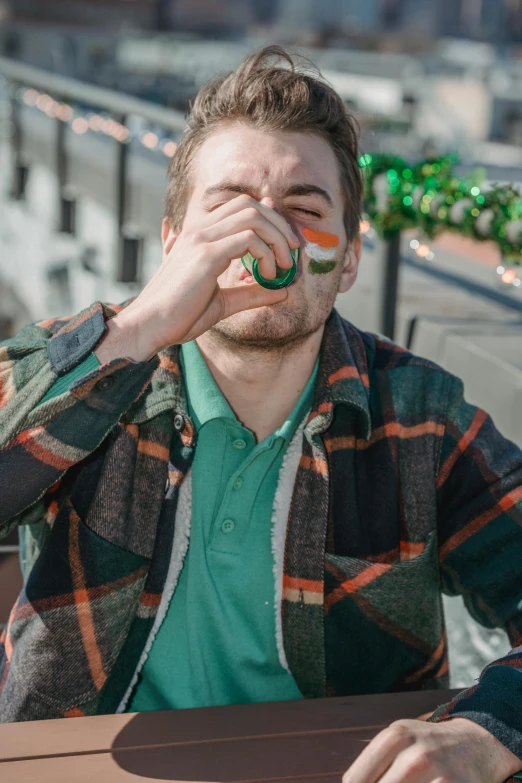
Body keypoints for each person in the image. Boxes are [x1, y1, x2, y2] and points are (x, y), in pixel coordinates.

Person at [1, 46, 522, 782]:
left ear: (347, 261)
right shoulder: (88, 372)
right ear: (174, 243)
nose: (264, 235)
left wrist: (489, 728)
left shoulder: (419, 415)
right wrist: (142, 324)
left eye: (305, 212)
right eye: (229, 208)